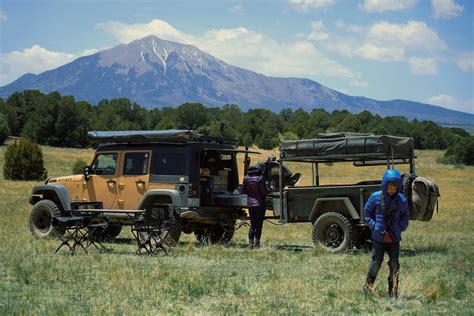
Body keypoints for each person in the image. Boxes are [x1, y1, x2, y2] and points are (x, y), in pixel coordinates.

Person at [362, 169, 410, 298]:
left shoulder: (402, 200)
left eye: (395, 187)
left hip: (394, 239)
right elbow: (367, 213)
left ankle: (393, 291)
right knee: (376, 262)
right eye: (389, 187)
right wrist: (375, 226)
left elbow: (406, 216)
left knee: (394, 264)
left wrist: (400, 227)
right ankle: (367, 287)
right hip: (379, 238)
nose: (392, 189)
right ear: (384, 185)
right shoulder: (375, 197)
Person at [242, 165, 270, 249]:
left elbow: (244, 191)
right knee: (259, 225)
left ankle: (250, 243)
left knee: (252, 224)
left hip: (250, 204)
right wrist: (270, 190)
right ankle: (257, 243)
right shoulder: (260, 178)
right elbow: (264, 192)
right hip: (260, 204)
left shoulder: (246, 178)